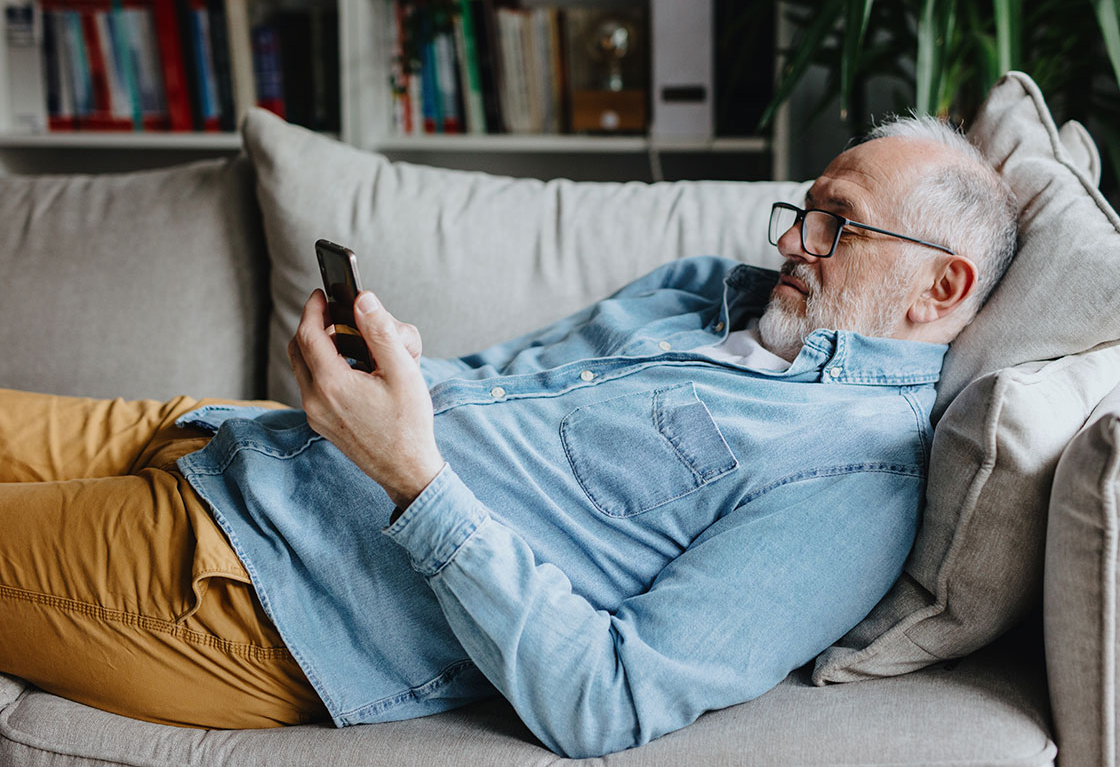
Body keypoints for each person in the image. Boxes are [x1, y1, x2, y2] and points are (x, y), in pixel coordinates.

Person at [0, 115, 1017, 758]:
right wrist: (399, 366)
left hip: (253, 582)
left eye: (835, 224)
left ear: (941, 286)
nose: (792, 240)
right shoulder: (704, 296)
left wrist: (409, 472)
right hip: (224, 438)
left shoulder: (854, 480)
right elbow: (502, 379)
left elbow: (607, 699)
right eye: (801, 211)